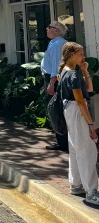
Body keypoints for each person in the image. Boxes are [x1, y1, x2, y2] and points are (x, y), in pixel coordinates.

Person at [57, 42, 99, 207]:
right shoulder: (72, 75)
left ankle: (76, 185)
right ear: (71, 55)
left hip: (70, 111)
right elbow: (81, 101)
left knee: (76, 149)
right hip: (77, 111)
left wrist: (85, 71)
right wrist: (90, 124)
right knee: (87, 151)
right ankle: (91, 192)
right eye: (80, 54)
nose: (83, 56)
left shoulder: (66, 72)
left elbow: (89, 89)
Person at [41, 20, 68, 152]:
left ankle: (63, 142)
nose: (47, 29)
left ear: (56, 30)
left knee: (56, 110)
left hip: (55, 79)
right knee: (56, 110)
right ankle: (61, 140)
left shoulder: (58, 44)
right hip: (53, 78)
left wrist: (52, 83)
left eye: (49, 27)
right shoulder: (54, 43)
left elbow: (57, 67)